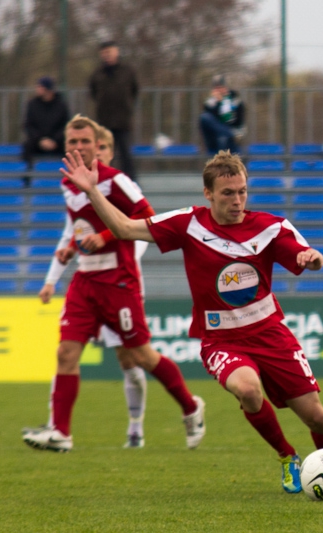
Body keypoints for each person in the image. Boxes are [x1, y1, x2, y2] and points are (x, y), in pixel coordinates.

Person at [59, 149, 323, 495]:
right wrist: (91, 191)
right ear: (208, 193)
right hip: (221, 341)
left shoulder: (271, 227)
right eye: (227, 193)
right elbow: (123, 227)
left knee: (316, 417)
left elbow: (307, 256)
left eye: (242, 192)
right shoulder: (188, 224)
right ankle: (287, 458)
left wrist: (311, 258)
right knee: (248, 389)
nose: (237, 200)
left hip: (271, 334)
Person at [22, 115, 205, 453]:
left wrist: (105, 236)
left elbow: (148, 218)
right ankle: (61, 432)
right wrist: (70, 247)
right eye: (72, 142)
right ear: (66, 146)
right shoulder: (67, 182)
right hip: (84, 280)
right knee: (66, 353)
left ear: (97, 145)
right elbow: (79, 225)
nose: (79, 147)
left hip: (118, 281)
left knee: (141, 356)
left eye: (84, 142)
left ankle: (191, 406)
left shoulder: (116, 181)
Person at [36, 125, 150, 449]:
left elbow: (139, 231)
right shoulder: (73, 190)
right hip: (89, 285)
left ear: (107, 152)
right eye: (79, 146)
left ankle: (136, 427)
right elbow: (71, 233)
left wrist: (118, 256)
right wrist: (52, 278)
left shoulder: (119, 187)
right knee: (66, 352)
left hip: (119, 287)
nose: (90, 155)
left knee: (130, 361)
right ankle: (57, 426)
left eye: (96, 149)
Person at [89, 40, 139, 181]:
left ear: (116, 52)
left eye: (109, 51)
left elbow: (134, 91)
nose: (107, 55)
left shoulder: (128, 71)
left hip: (123, 121)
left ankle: (131, 183)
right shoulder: (97, 74)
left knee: (125, 155)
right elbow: (93, 93)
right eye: (104, 52)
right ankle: (104, 180)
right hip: (104, 122)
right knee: (103, 154)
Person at [22, 76, 70, 170]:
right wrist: (40, 140)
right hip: (37, 142)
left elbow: (66, 126)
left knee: (70, 148)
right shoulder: (32, 104)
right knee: (27, 147)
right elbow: (28, 125)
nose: (37, 89)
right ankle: (27, 177)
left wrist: (55, 140)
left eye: (40, 87)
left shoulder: (61, 105)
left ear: (48, 89)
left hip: (57, 142)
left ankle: (70, 176)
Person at [199, 75, 246, 155]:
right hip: (215, 137)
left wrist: (223, 102)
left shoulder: (235, 101)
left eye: (221, 87)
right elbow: (211, 121)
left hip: (232, 136)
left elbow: (237, 121)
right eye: (216, 88)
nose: (219, 90)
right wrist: (218, 103)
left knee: (223, 138)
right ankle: (227, 134)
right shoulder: (210, 103)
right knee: (204, 117)